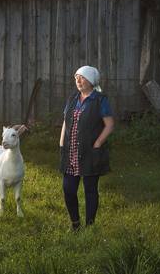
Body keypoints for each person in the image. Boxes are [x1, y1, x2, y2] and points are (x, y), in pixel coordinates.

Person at [59, 65, 114, 230]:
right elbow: (65, 121)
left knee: (90, 190)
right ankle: (75, 224)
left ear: (91, 80)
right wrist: (62, 142)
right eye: (76, 77)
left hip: (90, 151)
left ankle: (90, 225)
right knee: (68, 189)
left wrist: (97, 144)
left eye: (81, 77)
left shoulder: (100, 100)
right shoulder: (72, 98)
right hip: (70, 152)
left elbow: (109, 125)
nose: (78, 80)